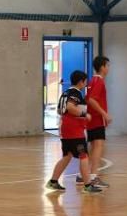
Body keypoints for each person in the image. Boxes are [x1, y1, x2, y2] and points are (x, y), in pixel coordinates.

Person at [46, 71, 103, 194]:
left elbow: (59, 110)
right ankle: (88, 185)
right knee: (83, 156)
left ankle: (53, 181)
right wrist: (84, 114)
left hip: (65, 130)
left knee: (67, 156)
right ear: (81, 81)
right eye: (85, 81)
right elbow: (70, 107)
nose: (86, 84)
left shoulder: (65, 93)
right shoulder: (75, 93)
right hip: (74, 131)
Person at [82, 56, 111, 188]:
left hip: (92, 119)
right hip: (97, 119)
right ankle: (93, 177)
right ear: (102, 67)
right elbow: (92, 100)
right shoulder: (99, 81)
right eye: (108, 65)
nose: (109, 68)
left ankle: (87, 175)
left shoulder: (92, 80)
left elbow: (88, 99)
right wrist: (104, 114)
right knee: (98, 146)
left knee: (94, 147)